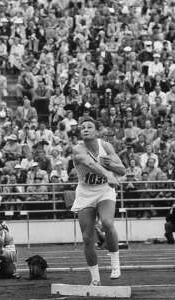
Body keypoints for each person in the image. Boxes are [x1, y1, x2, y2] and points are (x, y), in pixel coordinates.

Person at [71, 116, 126, 286]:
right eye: (82, 128)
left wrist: (112, 166)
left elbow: (122, 170)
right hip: (85, 193)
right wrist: (108, 174)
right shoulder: (78, 149)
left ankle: (115, 264)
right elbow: (90, 164)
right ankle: (95, 278)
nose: (85, 129)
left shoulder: (106, 146)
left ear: (96, 131)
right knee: (87, 238)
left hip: (104, 191)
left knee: (107, 223)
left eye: (89, 127)